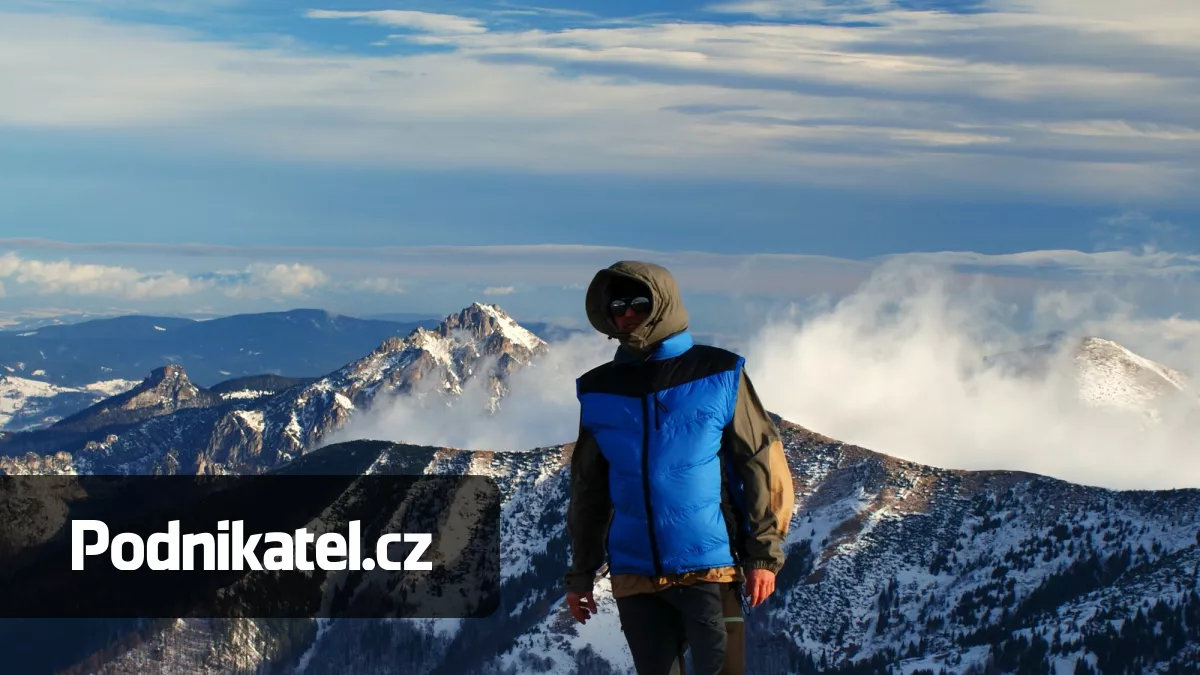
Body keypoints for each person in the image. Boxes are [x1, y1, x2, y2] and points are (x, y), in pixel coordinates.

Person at [563, 260, 795, 675]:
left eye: (639, 302)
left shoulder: (720, 373)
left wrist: (763, 556)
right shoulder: (598, 389)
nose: (628, 313)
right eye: (618, 304)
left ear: (663, 303)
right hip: (634, 575)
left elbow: (761, 463)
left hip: (710, 567)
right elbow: (589, 489)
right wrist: (580, 574)